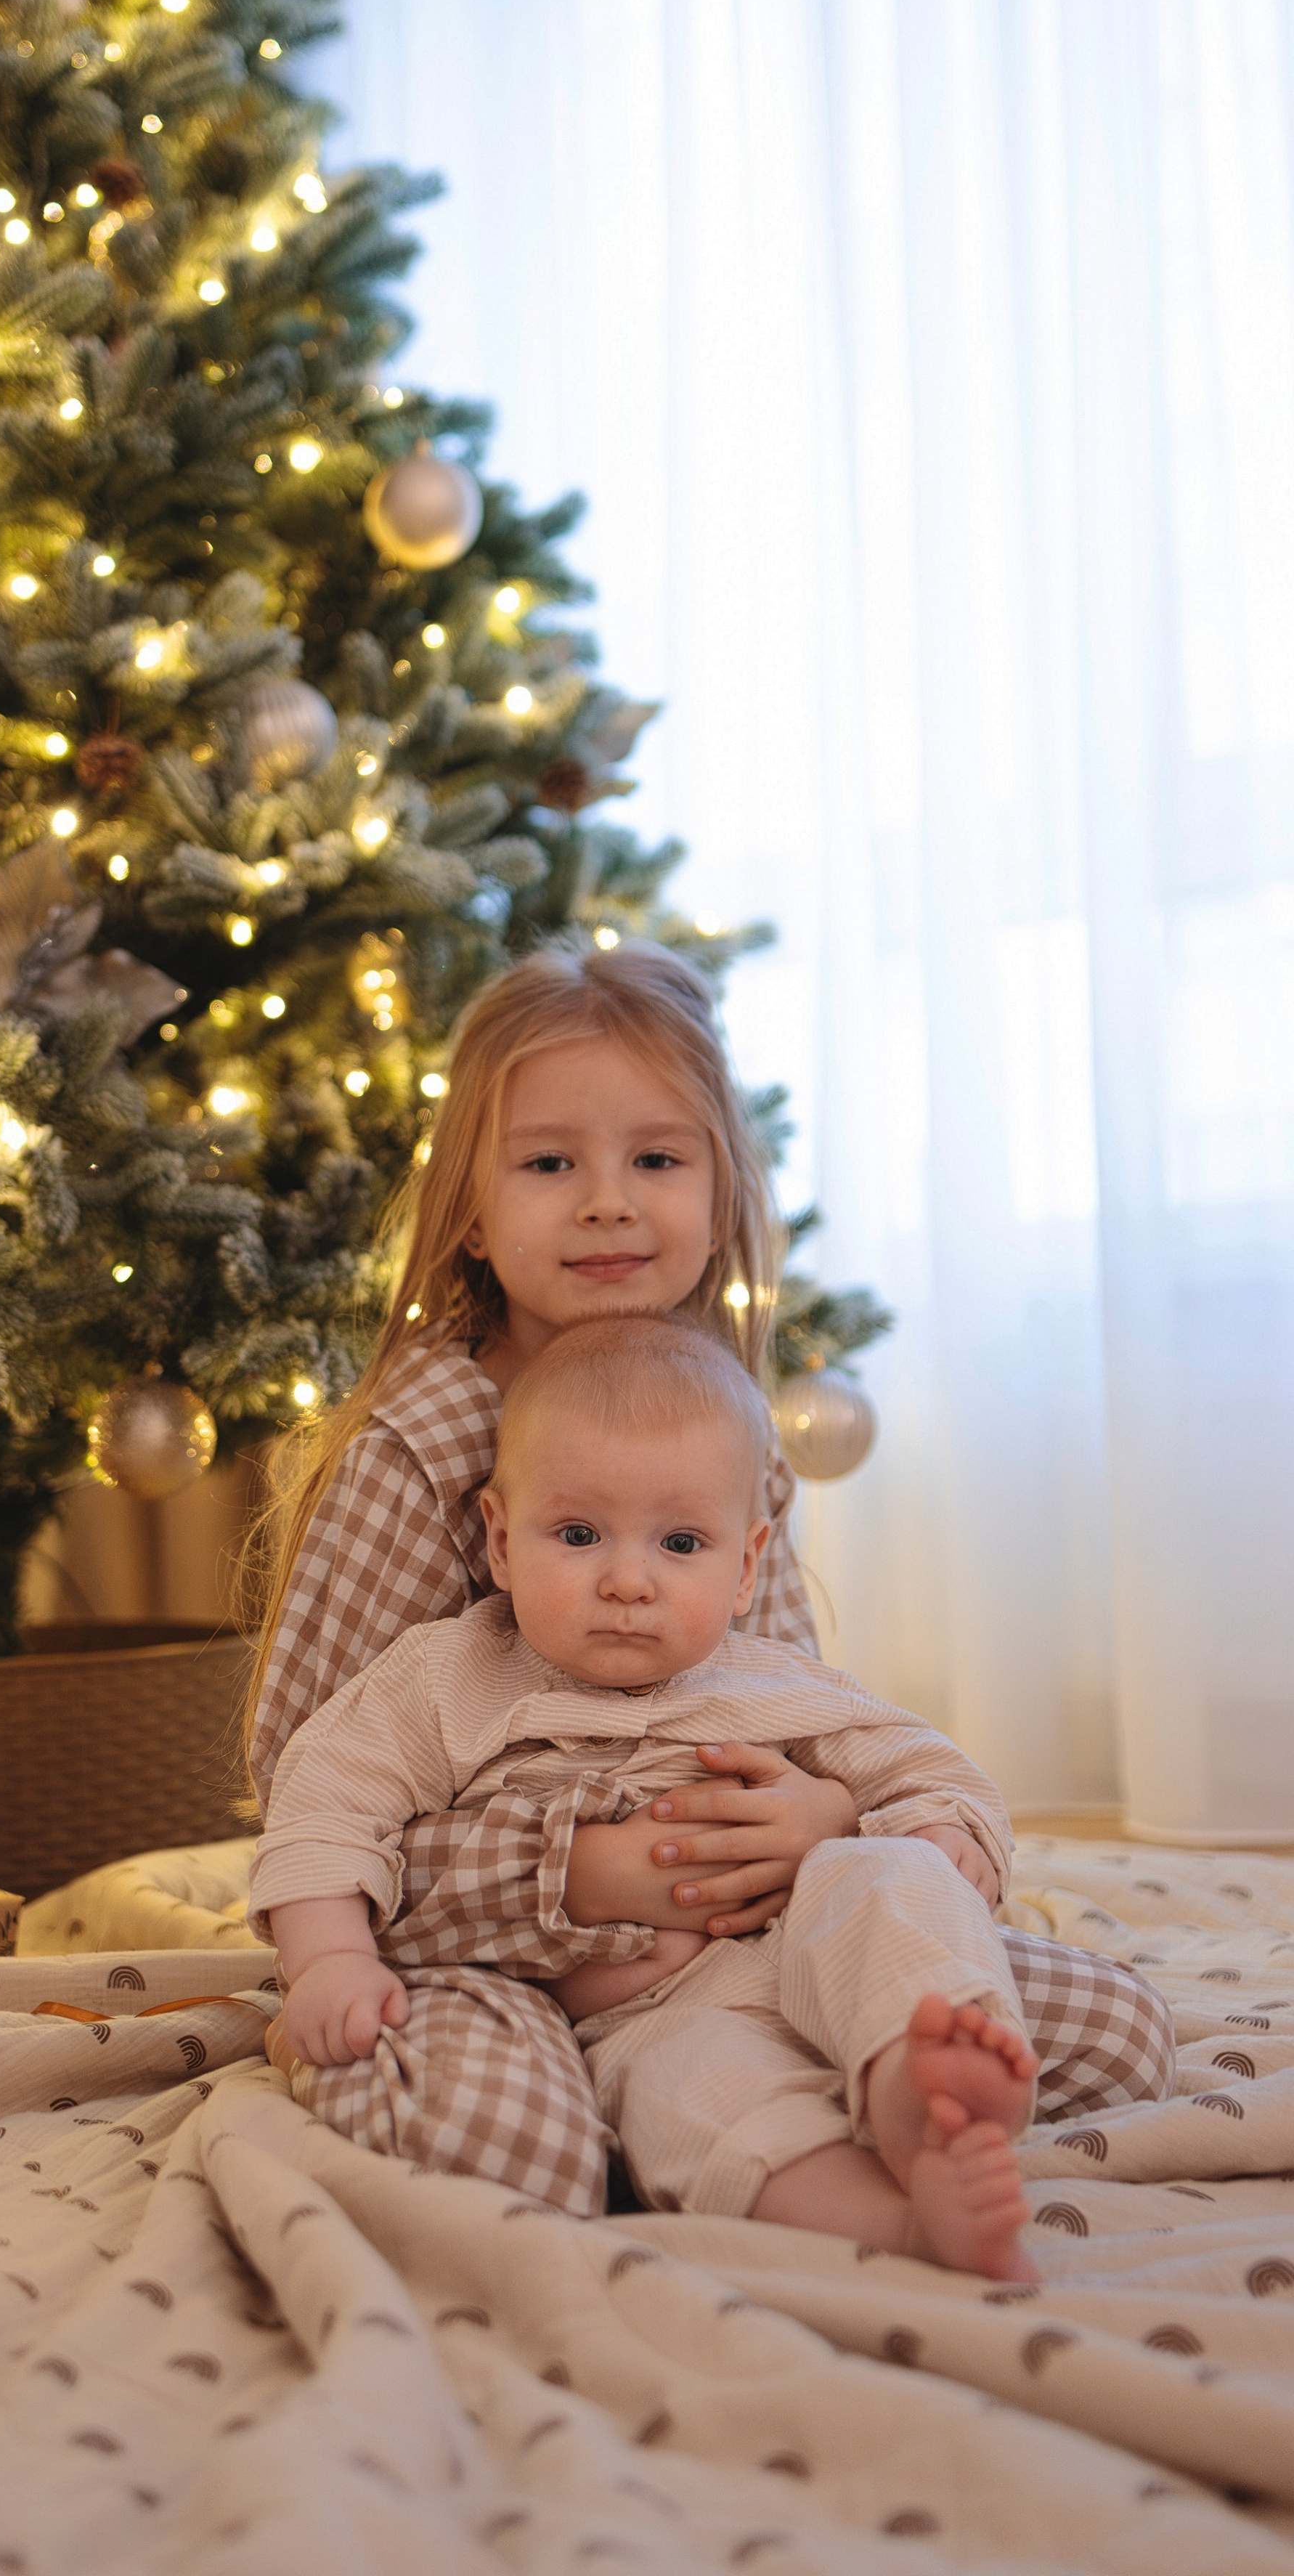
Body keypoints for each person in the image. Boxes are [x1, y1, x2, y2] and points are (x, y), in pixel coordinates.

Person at [245, 938, 1174, 2217]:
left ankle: (868, 2085)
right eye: (550, 1163)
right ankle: (661, 2096)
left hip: (745, 1932)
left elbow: (789, 1698)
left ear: (722, 1193)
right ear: (468, 1206)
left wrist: (827, 1821)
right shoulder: (421, 1447)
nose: (608, 1203)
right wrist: (576, 1875)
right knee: (506, 2149)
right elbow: (305, 1792)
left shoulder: (721, 1421)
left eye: (658, 1160)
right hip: (480, 1949)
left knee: (1115, 2035)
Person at [253, 1317, 1038, 2278]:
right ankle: (904, 2224)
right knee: (692, 2102)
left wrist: (944, 1832)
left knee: (890, 1875)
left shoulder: (773, 1683)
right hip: (643, 2018)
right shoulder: (448, 1681)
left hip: (808, 1955)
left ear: (745, 1566)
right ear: (501, 1540)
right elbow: (324, 1804)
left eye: (680, 1542)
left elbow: (929, 1768)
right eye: (579, 1535)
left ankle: (918, 2074)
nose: (628, 1581)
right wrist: (331, 1958)